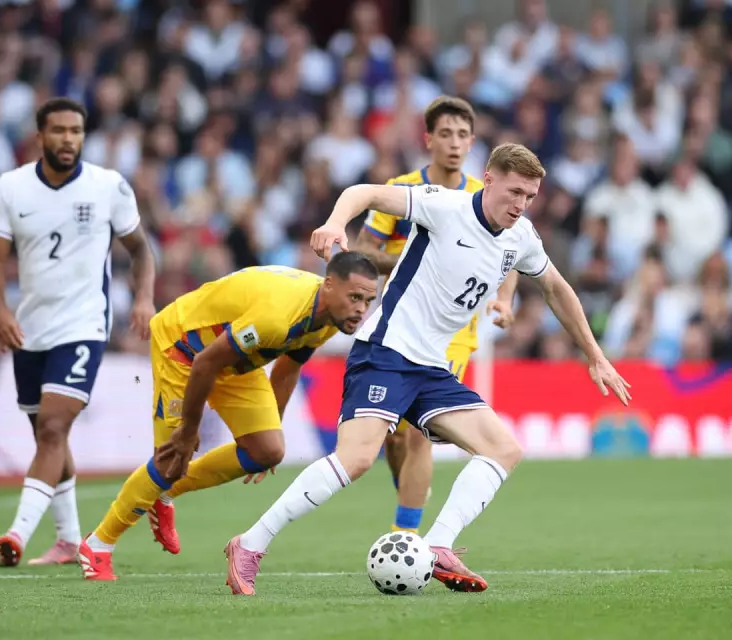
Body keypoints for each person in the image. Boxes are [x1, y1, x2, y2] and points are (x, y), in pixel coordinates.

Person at [221, 143, 631, 596]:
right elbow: (364, 192)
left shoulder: (522, 237)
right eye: (515, 192)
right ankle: (249, 544)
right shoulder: (445, 206)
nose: (521, 205)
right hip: (386, 352)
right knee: (356, 458)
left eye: (530, 197)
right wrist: (336, 222)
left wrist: (595, 355)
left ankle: (437, 545)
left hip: (431, 368)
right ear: (489, 179)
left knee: (503, 449)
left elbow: (556, 287)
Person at [78, 255, 379, 581]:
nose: (361, 310)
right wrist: (188, 430)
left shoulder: (329, 317)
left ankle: (165, 493)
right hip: (183, 349)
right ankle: (98, 543)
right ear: (329, 285)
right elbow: (205, 363)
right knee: (170, 460)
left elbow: (288, 367)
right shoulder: (276, 317)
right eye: (354, 297)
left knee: (267, 450)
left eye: (368, 301)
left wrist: (271, 424)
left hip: (234, 360)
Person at [0, 97, 156, 567]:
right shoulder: (11, 188)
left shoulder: (108, 186)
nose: (68, 139)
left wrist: (143, 297)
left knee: (54, 427)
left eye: (76, 131)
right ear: (40, 136)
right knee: (48, 436)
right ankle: (69, 540)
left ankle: (17, 533)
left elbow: (141, 250)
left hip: (84, 325)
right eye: (58, 130)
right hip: (29, 329)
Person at [355, 96, 517, 535]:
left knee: (418, 432)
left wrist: (504, 299)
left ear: (473, 142)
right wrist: (414, 262)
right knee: (393, 435)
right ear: (428, 139)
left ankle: (405, 537)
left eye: (462, 135)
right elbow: (364, 250)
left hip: (453, 333)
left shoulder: (483, 197)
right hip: (400, 324)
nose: (454, 143)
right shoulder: (403, 189)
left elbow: (512, 254)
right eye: (445, 133)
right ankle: (410, 493)